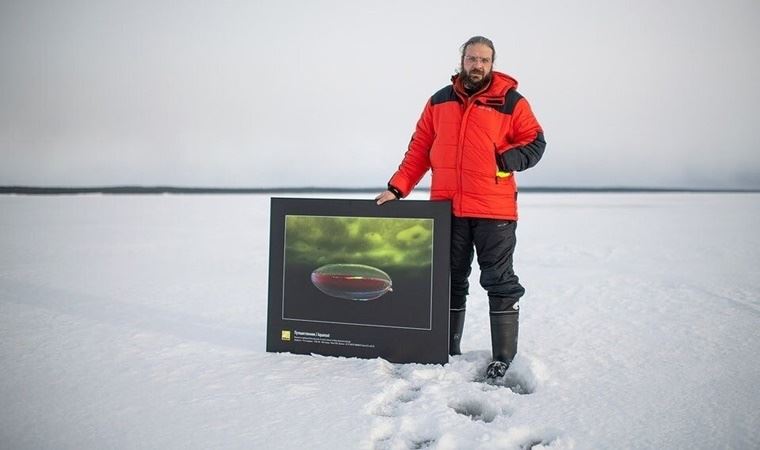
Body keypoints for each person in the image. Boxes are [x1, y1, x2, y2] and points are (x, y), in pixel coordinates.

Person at [375, 36, 546, 379]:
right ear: (462, 60)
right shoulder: (439, 101)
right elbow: (420, 148)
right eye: (472, 58)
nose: (477, 65)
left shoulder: (512, 102)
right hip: (447, 207)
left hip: (493, 209)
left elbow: (535, 142)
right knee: (450, 279)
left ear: (492, 63)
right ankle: (448, 347)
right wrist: (398, 187)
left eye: (484, 59)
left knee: (498, 280)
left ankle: (503, 357)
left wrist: (506, 158)